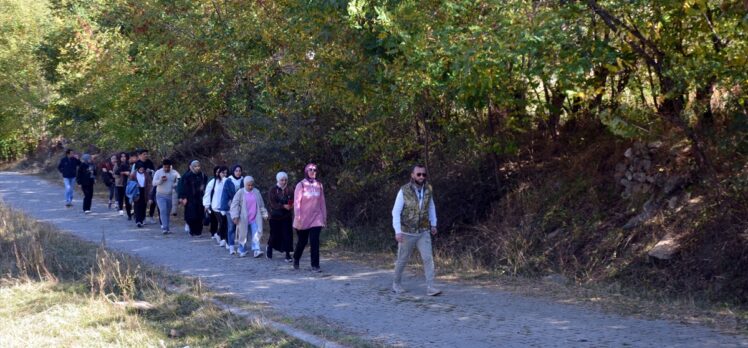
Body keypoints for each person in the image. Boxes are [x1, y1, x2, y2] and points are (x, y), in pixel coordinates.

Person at [391, 164, 441, 296]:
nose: (421, 177)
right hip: (407, 232)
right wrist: (397, 231)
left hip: (423, 231)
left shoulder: (428, 189)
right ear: (412, 175)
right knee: (402, 259)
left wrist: (434, 224)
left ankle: (430, 287)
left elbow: (431, 207)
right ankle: (396, 284)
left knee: (428, 258)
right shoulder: (404, 191)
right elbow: (396, 212)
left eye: (424, 174)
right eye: (418, 174)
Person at [292, 163, 327, 272]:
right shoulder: (301, 185)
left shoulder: (319, 185)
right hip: (303, 218)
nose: (313, 172)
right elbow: (297, 203)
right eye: (310, 170)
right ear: (306, 171)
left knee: (314, 241)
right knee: (302, 241)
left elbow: (322, 202)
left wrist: (324, 217)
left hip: (317, 217)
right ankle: (296, 258)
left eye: (315, 170)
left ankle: (315, 265)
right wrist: (297, 216)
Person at [230, 176, 268, 258]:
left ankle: (256, 249)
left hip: (255, 217)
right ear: (244, 184)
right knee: (242, 234)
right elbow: (234, 205)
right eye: (248, 185)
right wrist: (235, 216)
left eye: (252, 185)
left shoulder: (256, 192)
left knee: (256, 233)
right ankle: (242, 249)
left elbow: (261, 204)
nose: (250, 187)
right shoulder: (240, 192)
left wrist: (264, 214)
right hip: (243, 218)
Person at [267, 171, 294, 262]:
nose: (284, 182)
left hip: (286, 216)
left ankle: (287, 254)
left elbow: (293, 199)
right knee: (274, 234)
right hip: (275, 216)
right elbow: (272, 203)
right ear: (278, 180)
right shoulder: (273, 189)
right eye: (282, 180)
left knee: (287, 235)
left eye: (285, 180)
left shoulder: (290, 189)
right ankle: (270, 248)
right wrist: (282, 206)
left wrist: (291, 205)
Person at [179, 160, 207, 236]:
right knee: (191, 216)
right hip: (190, 199)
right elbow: (184, 187)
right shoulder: (187, 176)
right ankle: (192, 230)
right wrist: (183, 197)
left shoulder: (203, 175)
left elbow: (206, 186)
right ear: (191, 167)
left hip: (200, 199)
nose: (197, 168)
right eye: (195, 166)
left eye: (198, 166)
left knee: (200, 216)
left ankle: (198, 232)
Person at [220, 165, 243, 255]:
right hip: (230, 208)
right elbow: (224, 195)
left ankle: (242, 246)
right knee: (231, 227)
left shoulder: (243, 180)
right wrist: (225, 207)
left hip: (241, 207)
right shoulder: (228, 181)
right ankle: (231, 246)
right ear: (233, 171)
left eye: (239, 170)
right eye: (236, 171)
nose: (238, 172)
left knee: (242, 228)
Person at [153, 158, 179, 234]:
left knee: (167, 212)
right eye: (165, 167)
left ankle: (167, 228)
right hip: (160, 195)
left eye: (168, 167)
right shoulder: (158, 172)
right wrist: (160, 181)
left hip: (170, 196)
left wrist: (175, 184)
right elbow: (153, 183)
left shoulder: (174, 173)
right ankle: (164, 228)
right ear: (163, 166)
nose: (166, 168)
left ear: (170, 166)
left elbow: (179, 181)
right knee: (163, 210)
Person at [204, 166, 228, 246]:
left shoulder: (227, 181)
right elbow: (207, 193)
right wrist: (206, 204)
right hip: (216, 206)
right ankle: (222, 238)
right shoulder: (213, 182)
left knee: (224, 222)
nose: (223, 174)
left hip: (225, 206)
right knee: (222, 222)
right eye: (221, 172)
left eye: (225, 173)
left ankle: (219, 235)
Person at [137, 149, 158, 224]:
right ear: (140, 155)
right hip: (142, 185)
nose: (146, 155)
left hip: (150, 184)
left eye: (146, 154)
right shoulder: (138, 163)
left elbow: (154, 172)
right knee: (143, 201)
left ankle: (151, 216)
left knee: (152, 200)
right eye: (144, 154)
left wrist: (151, 171)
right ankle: (143, 217)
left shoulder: (149, 162)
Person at [130, 162, 153, 228]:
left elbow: (149, 183)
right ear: (138, 168)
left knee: (143, 206)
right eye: (140, 169)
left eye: (143, 169)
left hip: (145, 191)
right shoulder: (134, 174)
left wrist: (150, 191)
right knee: (137, 206)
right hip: (136, 191)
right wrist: (134, 185)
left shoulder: (146, 174)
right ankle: (138, 221)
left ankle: (142, 219)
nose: (141, 170)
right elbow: (130, 182)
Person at [115, 152, 134, 219]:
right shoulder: (118, 164)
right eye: (121, 156)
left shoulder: (130, 164)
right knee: (121, 197)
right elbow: (115, 173)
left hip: (129, 183)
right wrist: (124, 173)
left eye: (124, 156)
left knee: (129, 198)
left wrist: (128, 173)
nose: (123, 158)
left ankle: (131, 212)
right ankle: (122, 210)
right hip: (119, 183)